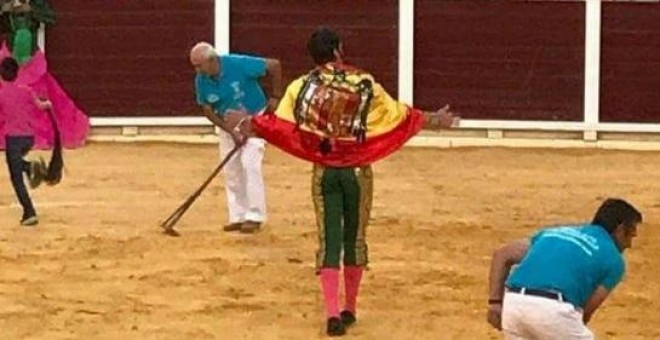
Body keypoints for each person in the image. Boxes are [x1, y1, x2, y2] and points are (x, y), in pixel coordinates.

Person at [229, 27, 458, 336]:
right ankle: (350, 308)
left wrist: (250, 124)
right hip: (357, 172)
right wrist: (433, 120)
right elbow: (398, 116)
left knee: (329, 240)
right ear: (338, 50)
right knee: (355, 238)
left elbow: (282, 127)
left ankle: (332, 314)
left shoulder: (301, 87)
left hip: (325, 172)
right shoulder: (363, 83)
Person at [487, 198, 643, 339]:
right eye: (630, 236)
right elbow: (585, 312)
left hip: (514, 305)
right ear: (620, 229)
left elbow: (503, 254)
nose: (629, 245)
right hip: (553, 310)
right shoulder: (614, 260)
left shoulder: (555, 233)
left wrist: (495, 303)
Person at [189, 42, 282, 234]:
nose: (197, 70)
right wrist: (231, 131)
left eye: (199, 65)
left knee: (250, 163)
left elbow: (274, 65)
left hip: (255, 118)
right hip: (228, 124)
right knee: (232, 170)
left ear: (212, 60)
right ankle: (238, 216)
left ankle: (255, 216)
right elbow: (207, 110)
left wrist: (276, 96)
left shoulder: (237, 64)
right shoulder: (201, 80)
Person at [0, 56, 52, 225]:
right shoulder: (27, 90)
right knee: (17, 166)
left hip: (13, 140)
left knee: (16, 178)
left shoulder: (1, 95)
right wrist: (48, 104)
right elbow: (41, 106)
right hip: (28, 139)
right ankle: (30, 166)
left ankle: (29, 212)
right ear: (17, 73)